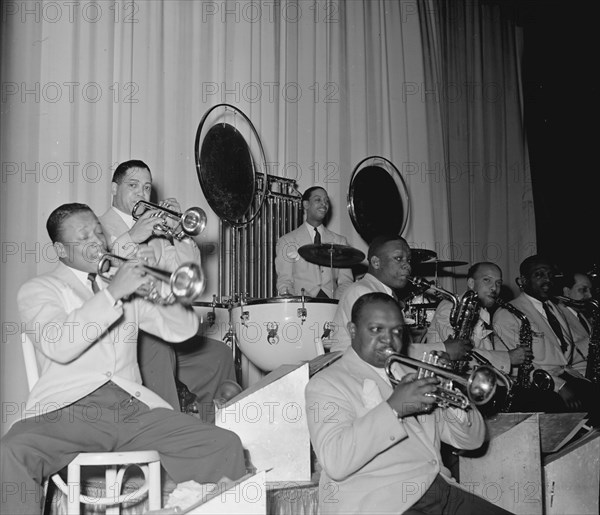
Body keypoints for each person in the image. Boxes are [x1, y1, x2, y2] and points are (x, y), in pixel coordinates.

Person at [0, 203, 246, 515]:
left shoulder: (120, 284)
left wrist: (162, 292)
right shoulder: (40, 289)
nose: (97, 241)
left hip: (131, 407)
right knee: (12, 451)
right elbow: (59, 343)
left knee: (223, 444)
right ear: (60, 249)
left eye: (99, 232)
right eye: (85, 236)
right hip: (69, 409)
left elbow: (181, 331)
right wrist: (113, 293)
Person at [306, 292, 512, 514]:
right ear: (353, 330)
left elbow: (472, 441)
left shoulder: (413, 373)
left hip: (440, 491)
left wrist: (450, 390)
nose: (388, 339)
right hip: (385, 504)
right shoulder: (327, 382)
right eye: (376, 330)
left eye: (397, 331)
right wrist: (394, 408)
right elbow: (335, 461)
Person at [99, 160, 236, 420]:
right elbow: (103, 271)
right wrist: (132, 237)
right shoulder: (98, 226)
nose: (141, 193)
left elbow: (188, 274)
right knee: (159, 350)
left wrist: (180, 232)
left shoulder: (157, 230)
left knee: (219, 355)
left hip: (165, 327)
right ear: (114, 188)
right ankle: (171, 438)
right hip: (128, 335)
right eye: (133, 185)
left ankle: (216, 431)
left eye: (147, 187)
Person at [330, 234, 472, 363]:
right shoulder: (362, 292)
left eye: (408, 260)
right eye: (398, 259)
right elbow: (383, 351)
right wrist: (443, 348)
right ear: (376, 262)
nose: (407, 266)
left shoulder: (382, 294)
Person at [493, 255, 599, 424]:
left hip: (568, 378)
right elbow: (521, 367)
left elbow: (563, 356)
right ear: (522, 281)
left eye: (550, 275)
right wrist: (560, 386)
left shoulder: (554, 308)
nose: (547, 280)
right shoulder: (508, 313)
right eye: (539, 275)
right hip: (539, 386)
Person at [275, 186, 353, 299]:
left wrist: (336, 303)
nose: (324, 204)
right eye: (318, 200)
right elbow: (285, 282)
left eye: (326, 201)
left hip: (332, 306)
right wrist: (296, 304)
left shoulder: (340, 241)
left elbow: (346, 281)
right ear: (306, 204)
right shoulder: (287, 241)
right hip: (303, 307)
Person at [558, 270, 595, 377]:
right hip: (576, 376)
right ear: (567, 292)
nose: (590, 295)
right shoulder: (557, 316)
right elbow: (562, 356)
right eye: (583, 290)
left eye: (590, 290)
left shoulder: (581, 315)